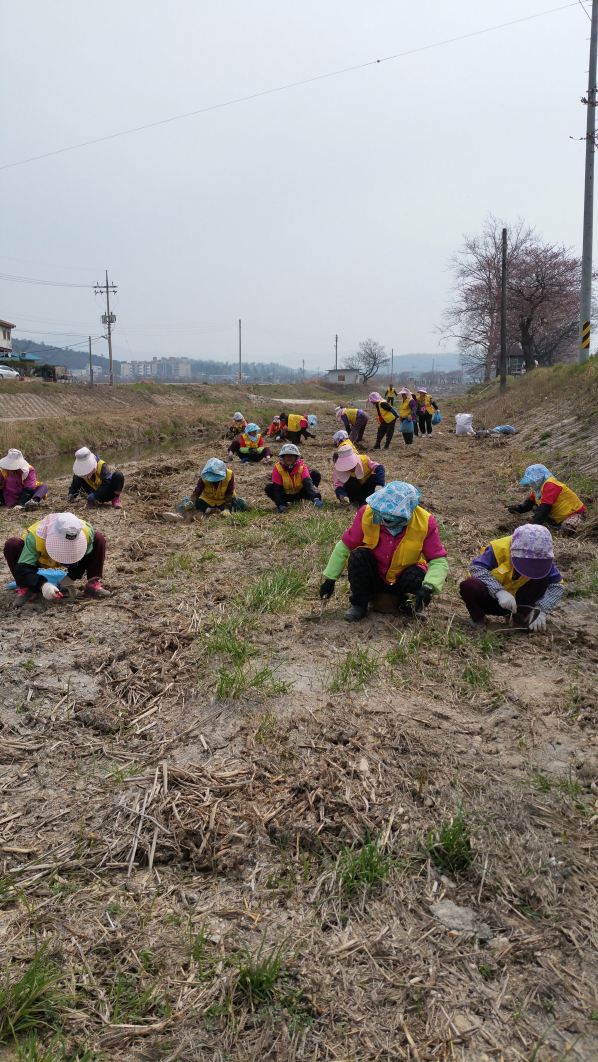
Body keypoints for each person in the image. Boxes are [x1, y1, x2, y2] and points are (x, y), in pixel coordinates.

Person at [319, 481, 448, 622]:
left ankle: (410, 605)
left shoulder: (425, 522)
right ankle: (359, 605)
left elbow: (438, 560)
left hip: (402, 578)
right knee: (358, 556)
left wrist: (429, 587)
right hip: (375, 576)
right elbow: (345, 546)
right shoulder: (366, 513)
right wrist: (330, 579)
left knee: (416, 576)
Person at [459, 524, 563, 632]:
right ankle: (477, 618)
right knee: (470, 585)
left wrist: (541, 610)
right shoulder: (499, 549)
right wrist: (499, 592)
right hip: (493, 600)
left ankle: (520, 615)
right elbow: (477, 569)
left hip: (520, 602)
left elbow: (557, 585)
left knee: (543, 577)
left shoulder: (543, 558)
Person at [4, 511, 110, 607]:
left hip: (74, 559)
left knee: (98, 538)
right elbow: (24, 568)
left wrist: (71, 577)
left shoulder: (86, 531)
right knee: (12, 545)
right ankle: (25, 588)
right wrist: (42, 585)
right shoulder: (36, 537)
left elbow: (86, 558)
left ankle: (92, 584)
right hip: (40, 560)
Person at [507, 464, 586, 532]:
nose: (531, 483)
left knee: (567, 528)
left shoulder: (550, 485)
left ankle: (559, 526)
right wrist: (518, 508)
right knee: (536, 507)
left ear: (540, 478)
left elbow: (545, 507)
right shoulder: (538, 488)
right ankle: (556, 525)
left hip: (575, 513)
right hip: (559, 516)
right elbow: (529, 502)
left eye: (533, 480)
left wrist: (533, 527)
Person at [163, 458, 247, 522]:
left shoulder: (229, 474)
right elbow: (197, 492)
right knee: (186, 500)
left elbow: (229, 492)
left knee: (241, 503)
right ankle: (180, 514)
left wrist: (227, 508)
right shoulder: (204, 477)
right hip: (207, 501)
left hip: (223, 502)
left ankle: (217, 511)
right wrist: (191, 502)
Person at [264, 444, 323, 513]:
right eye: (287, 455)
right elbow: (278, 489)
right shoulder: (277, 468)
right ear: (282, 457)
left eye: (292, 455)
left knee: (316, 474)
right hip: (286, 495)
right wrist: (281, 504)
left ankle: (307, 499)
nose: (289, 457)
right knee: (269, 487)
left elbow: (308, 484)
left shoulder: (302, 467)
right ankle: (283, 505)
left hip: (300, 493)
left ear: (296, 457)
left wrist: (316, 497)